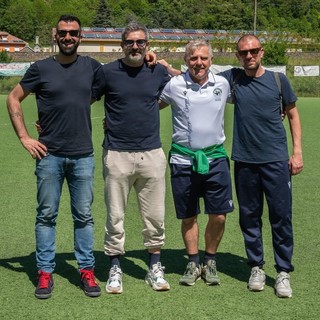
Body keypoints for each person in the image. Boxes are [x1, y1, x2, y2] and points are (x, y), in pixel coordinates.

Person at [6, 14, 102, 299]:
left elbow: (122, 74)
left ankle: (86, 269)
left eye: (73, 33)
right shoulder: (40, 69)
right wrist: (24, 137)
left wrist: (151, 58)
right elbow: (13, 98)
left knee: (84, 216)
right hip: (49, 156)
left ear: (81, 36)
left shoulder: (93, 67)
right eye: (63, 33)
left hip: (83, 155)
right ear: (55, 35)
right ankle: (45, 272)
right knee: (46, 216)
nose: (68, 37)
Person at [219, 34, 303, 298]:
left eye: (253, 51)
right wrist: (163, 65)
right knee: (249, 217)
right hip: (244, 160)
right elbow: (198, 73)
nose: (249, 56)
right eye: (244, 52)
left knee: (281, 216)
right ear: (237, 55)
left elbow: (292, 114)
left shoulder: (279, 80)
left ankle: (283, 272)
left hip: (276, 160)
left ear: (262, 52)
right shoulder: (233, 78)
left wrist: (297, 151)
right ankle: (256, 266)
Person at [93, 22, 171, 294]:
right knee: (115, 215)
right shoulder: (107, 72)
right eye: (130, 42)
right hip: (116, 154)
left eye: (140, 42)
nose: (135, 46)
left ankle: (155, 267)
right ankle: (115, 267)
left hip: (151, 153)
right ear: (121, 44)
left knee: (155, 216)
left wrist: (163, 62)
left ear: (147, 45)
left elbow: (182, 86)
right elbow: (81, 99)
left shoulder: (157, 71)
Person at [158, 40, 234, 286]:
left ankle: (210, 260)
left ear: (211, 60)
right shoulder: (174, 85)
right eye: (193, 58)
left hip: (215, 158)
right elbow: (150, 106)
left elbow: (250, 100)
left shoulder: (222, 84)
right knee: (188, 216)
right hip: (182, 159)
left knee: (219, 215)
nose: (198, 63)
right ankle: (193, 261)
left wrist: (278, 109)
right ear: (186, 60)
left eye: (203, 58)